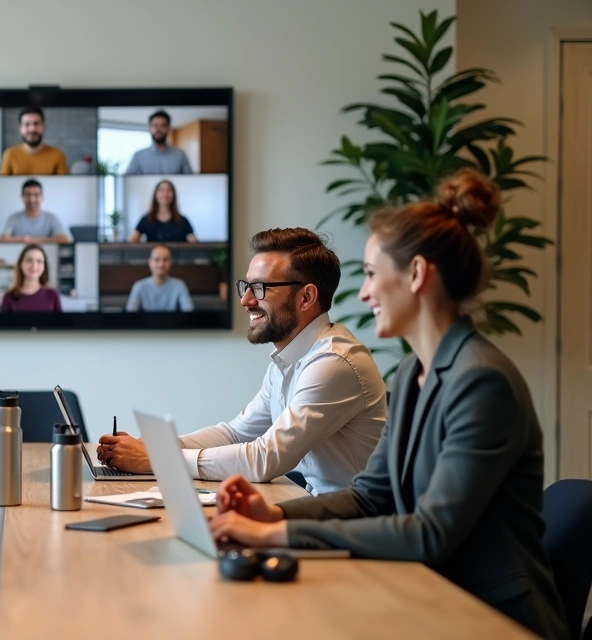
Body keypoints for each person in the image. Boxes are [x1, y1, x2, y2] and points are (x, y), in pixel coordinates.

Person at [207, 170, 565, 639]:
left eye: (373, 275)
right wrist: (274, 513)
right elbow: (369, 497)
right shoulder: (414, 372)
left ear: (416, 274)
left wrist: (276, 535)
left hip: (489, 614)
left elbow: (430, 533)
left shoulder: (482, 381)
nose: (363, 293)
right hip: (428, 590)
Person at [99, 228, 385, 495]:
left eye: (259, 287)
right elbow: (235, 433)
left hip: (357, 524)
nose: (245, 300)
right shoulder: (288, 361)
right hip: (321, 509)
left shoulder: (333, 362)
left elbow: (265, 459)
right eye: (246, 286)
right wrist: (154, 447)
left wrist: (158, 459)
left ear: (306, 297)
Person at [0, 107, 68, 175]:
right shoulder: (9, 154)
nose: (32, 129)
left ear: (43, 127)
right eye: (27, 124)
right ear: (20, 129)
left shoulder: (58, 155)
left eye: (36, 123)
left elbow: (63, 182)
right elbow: (3, 182)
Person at [0, 179, 71, 244]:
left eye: (36, 195)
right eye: (28, 195)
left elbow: (64, 239)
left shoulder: (52, 218)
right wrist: (25, 239)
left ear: (42, 197)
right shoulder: (13, 218)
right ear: (22, 197)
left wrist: (36, 240)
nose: (32, 200)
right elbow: (3, 239)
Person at [125, 245, 194, 312]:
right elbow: (130, 314)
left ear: (170, 262)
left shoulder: (179, 286)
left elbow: (189, 313)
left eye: (165, 260)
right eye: (157, 260)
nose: (161, 264)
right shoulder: (139, 286)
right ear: (150, 263)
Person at [124, 110, 193, 175]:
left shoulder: (180, 155)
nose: (158, 129)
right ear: (150, 128)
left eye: (163, 126)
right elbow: (127, 180)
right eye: (155, 125)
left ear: (168, 128)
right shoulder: (138, 156)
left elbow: (190, 179)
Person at [127, 180, 198, 243]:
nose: (165, 194)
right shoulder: (146, 219)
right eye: (161, 190)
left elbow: (195, 244)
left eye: (169, 190)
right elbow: (132, 240)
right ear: (156, 194)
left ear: (173, 195)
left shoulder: (183, 221)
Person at [0, 245, 62, 313]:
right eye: (29, 260)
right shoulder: (9, 297)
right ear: (20, 264)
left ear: (44, 266)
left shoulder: (53, 295)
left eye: (39, 261)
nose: (34, 266)